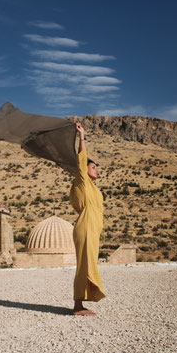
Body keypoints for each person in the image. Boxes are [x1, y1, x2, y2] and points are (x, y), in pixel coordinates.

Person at [70, 122, 105, 315]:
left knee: (89, 263)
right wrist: (81, 136)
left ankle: (81, 303)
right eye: (93, 167)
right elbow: (81, 158)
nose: (96, 170)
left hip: (92, 230)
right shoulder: (82, 180)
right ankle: (77, 306)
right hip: (85, 228)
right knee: (84, 265)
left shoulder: (93, 188)